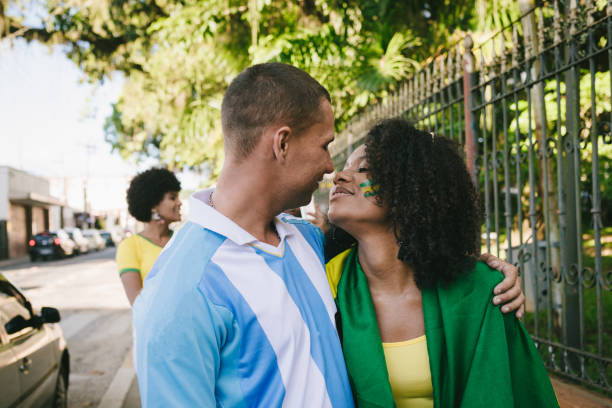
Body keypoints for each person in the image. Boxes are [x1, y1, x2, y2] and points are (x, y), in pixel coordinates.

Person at [133, 63, 523, 407]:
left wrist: (487, 267)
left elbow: (409, 246)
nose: (330, 167)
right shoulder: (180, 293)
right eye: (325, 145)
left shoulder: (310, 243)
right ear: (282, 143)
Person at [326, 119, 557, 407]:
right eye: (345, 167)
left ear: (411, 189)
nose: (339, 176)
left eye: (364, 169)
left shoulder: (484, 292)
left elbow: (510, 393)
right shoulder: (322, 284)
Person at [116, 168, 182, 305]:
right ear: (154, 205)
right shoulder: (130, 247)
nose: (179, 202)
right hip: (154, 325)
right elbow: (137, 301)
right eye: (172, 197)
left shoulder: (182, 240)